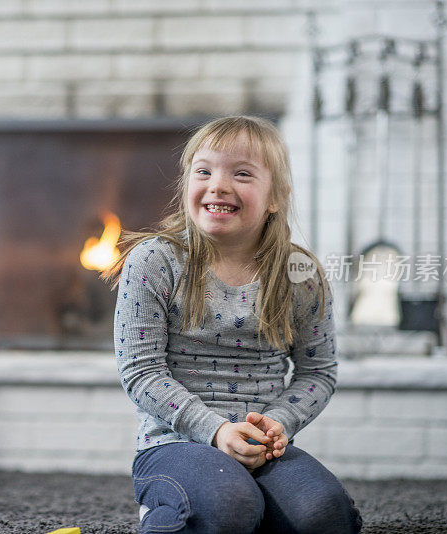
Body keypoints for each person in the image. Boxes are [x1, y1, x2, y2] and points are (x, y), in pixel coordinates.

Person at [101, 116, 363, 533]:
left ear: (276, 197)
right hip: (176, 443)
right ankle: (175, 513)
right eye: (203, 172)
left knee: (325, 515)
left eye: (241, 174)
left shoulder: (300, 273)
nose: (218, 185)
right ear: (187, 184)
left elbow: (318, 372)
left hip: (264, 447)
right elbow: (141, 371)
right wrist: (217, 430)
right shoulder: (154, 260)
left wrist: (280, 422)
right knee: (229, 504)